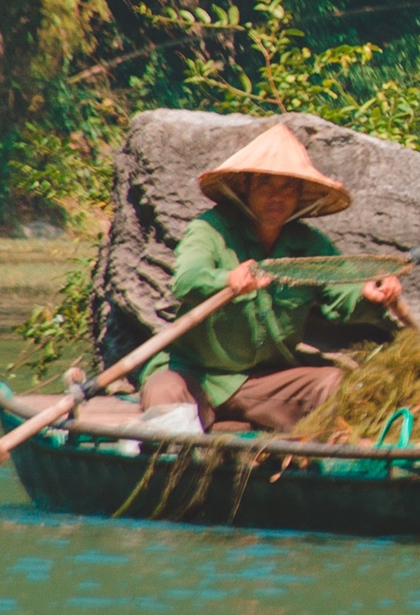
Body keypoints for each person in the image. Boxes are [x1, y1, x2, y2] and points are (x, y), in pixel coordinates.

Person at [138, 123, 406, 434]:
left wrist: (370, 294)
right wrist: (228, 280)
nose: (276, 196)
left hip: (266, 381)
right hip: (194, 375)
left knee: (335, 384)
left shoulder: (309, 246)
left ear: (299, 197)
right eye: (266, 185)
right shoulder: (210, 228)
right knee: (163, 393)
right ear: (245, 189)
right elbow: (187, 279)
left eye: (288, 188)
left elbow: (344, 292)